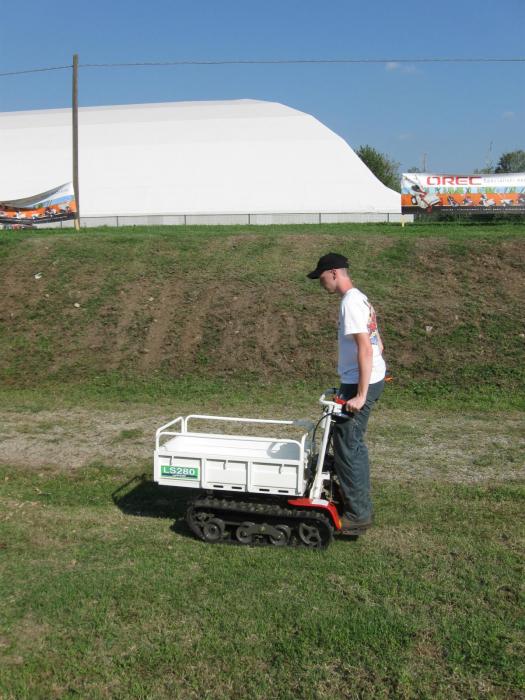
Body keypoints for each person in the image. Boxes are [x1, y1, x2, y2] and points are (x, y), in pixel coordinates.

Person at [307, 252, 386, 535]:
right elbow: (377, 342)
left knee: (347, 444)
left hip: (360, 384)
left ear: (334, 273)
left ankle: (357, 515)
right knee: (350, 442)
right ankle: (356, 504)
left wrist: (361, 394)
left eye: (321, 277)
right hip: (365, 378)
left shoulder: (350, 303)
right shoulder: (360, 298)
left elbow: (365, 347)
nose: (320, 283)